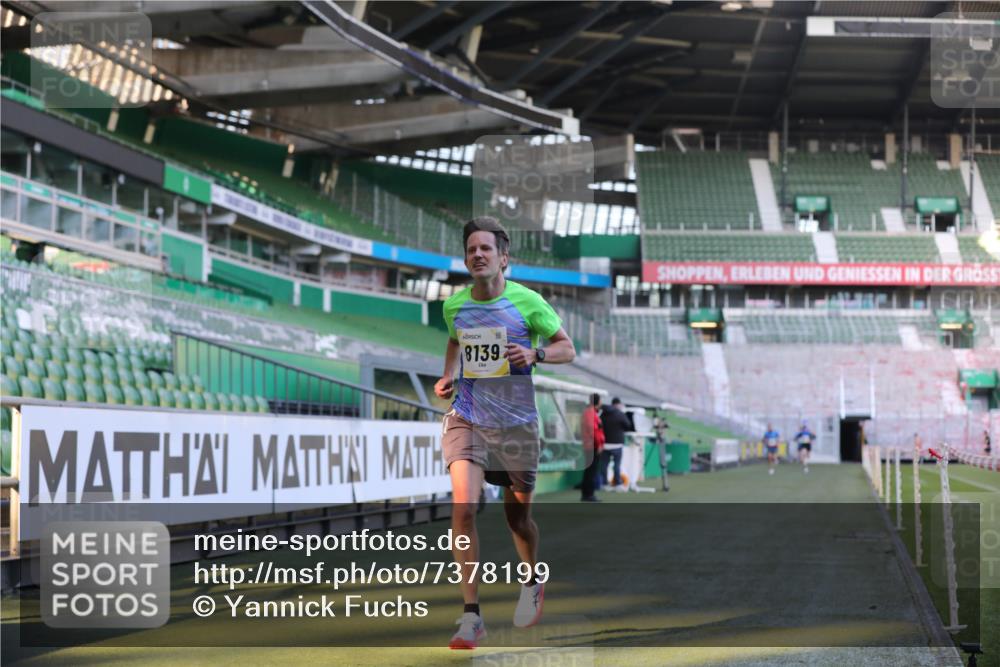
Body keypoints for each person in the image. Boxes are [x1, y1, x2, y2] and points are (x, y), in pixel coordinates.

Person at [434, 217, 576, 649]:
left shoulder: (529, 302)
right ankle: (471, 616)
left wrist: (533, 353)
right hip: (468, 417)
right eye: (471, 249)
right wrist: (447, 375)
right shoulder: (453, 306)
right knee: (463, 507)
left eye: (486, 249)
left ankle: (532, 578)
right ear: (466, 258)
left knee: (518, 520)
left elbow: (567, 348)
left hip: (516, 426)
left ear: (503, 258)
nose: (478, 255)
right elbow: (455, 340)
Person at [600, 398, 632, 490]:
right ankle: (617, 483)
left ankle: (604, 484)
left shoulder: (603, 414)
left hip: (605, 444)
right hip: (617, 444)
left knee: (604, 465)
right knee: (617, 465)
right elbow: (628, 426)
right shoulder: (620, 414)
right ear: (618, 404)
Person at [580, 393, 604, 502]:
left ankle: (587, 494)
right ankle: (589, 494)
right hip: (592, 446)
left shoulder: (589, 412)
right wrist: (598, 444)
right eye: (601, 400)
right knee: (591, 471)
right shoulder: (590, 413)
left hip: (590, 445)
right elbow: (593, 430)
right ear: (598, 401)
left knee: (589, 470)